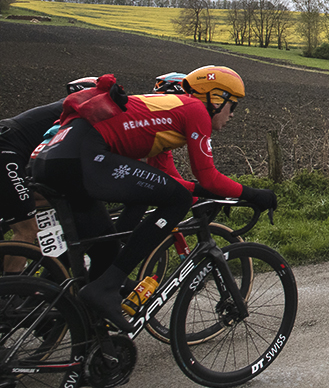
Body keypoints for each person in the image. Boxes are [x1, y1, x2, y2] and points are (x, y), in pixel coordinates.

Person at [31, 68, 277, 332]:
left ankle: (55, 315)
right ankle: (105, 289)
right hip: (82, 156)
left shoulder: (167, 116)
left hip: (53, 158)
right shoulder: (195, 110)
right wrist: (254, 194)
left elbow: (165, 179)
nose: (232, 115)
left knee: (106, 252)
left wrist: (213, 194)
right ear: (216, 98)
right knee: (177, 200)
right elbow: (207, 177)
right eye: (233, 106)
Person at [1, 77, 97, 265]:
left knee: (37, 197)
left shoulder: (62, 108)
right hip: (7, 154)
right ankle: (12, 292)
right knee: (27, 230)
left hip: (9, 149)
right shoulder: (79, 115)